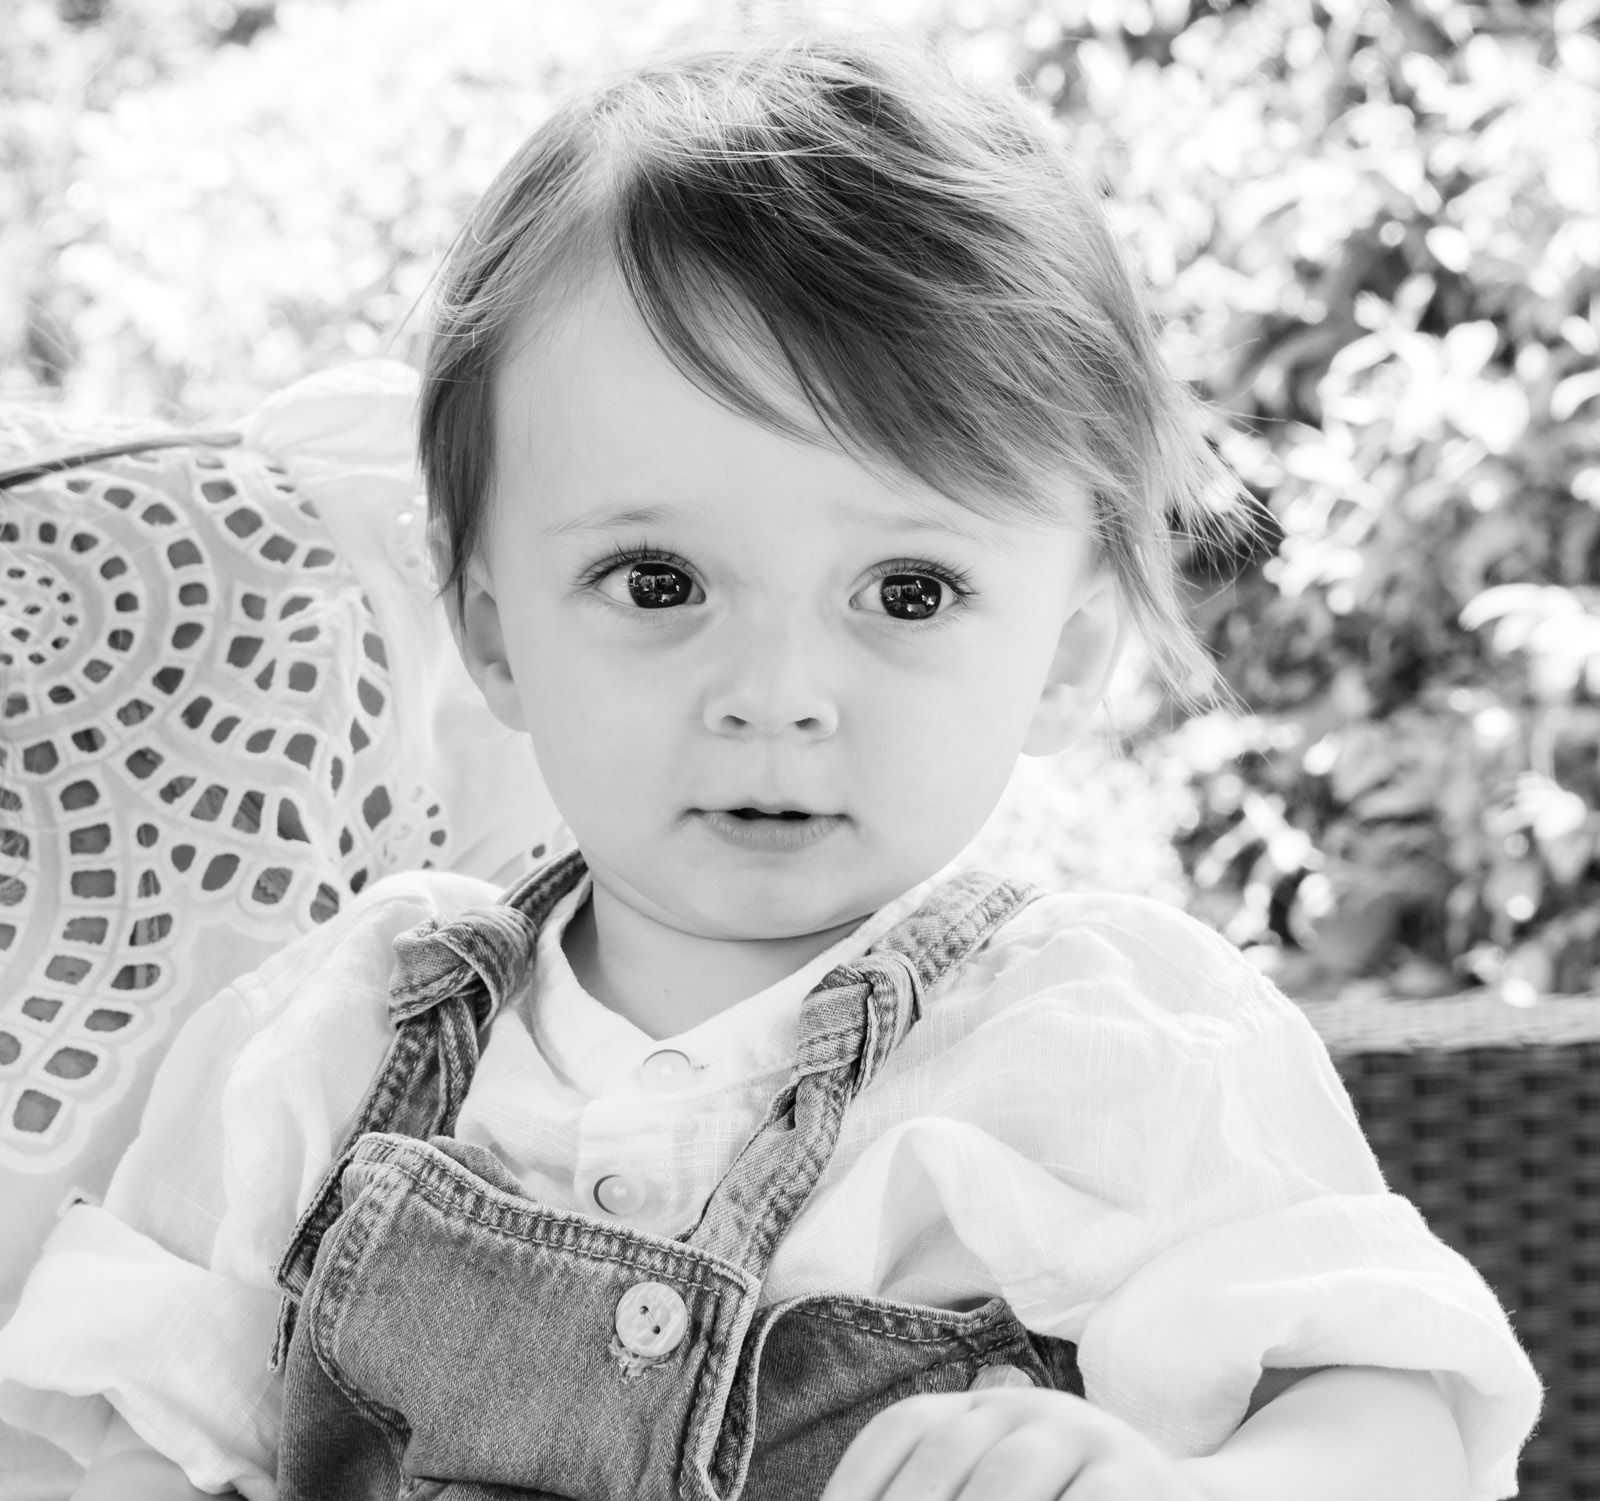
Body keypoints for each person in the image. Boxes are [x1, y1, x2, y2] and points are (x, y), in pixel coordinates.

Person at [0, 26, 1541, 1501]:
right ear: (493, 628)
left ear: (1068, 652)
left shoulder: (1112, 1042)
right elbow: (157, 1445)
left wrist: (1193, 1482)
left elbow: (1390, 1409)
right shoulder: (328, 1038)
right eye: (657, 581)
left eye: (908, 592)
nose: (775, 696)